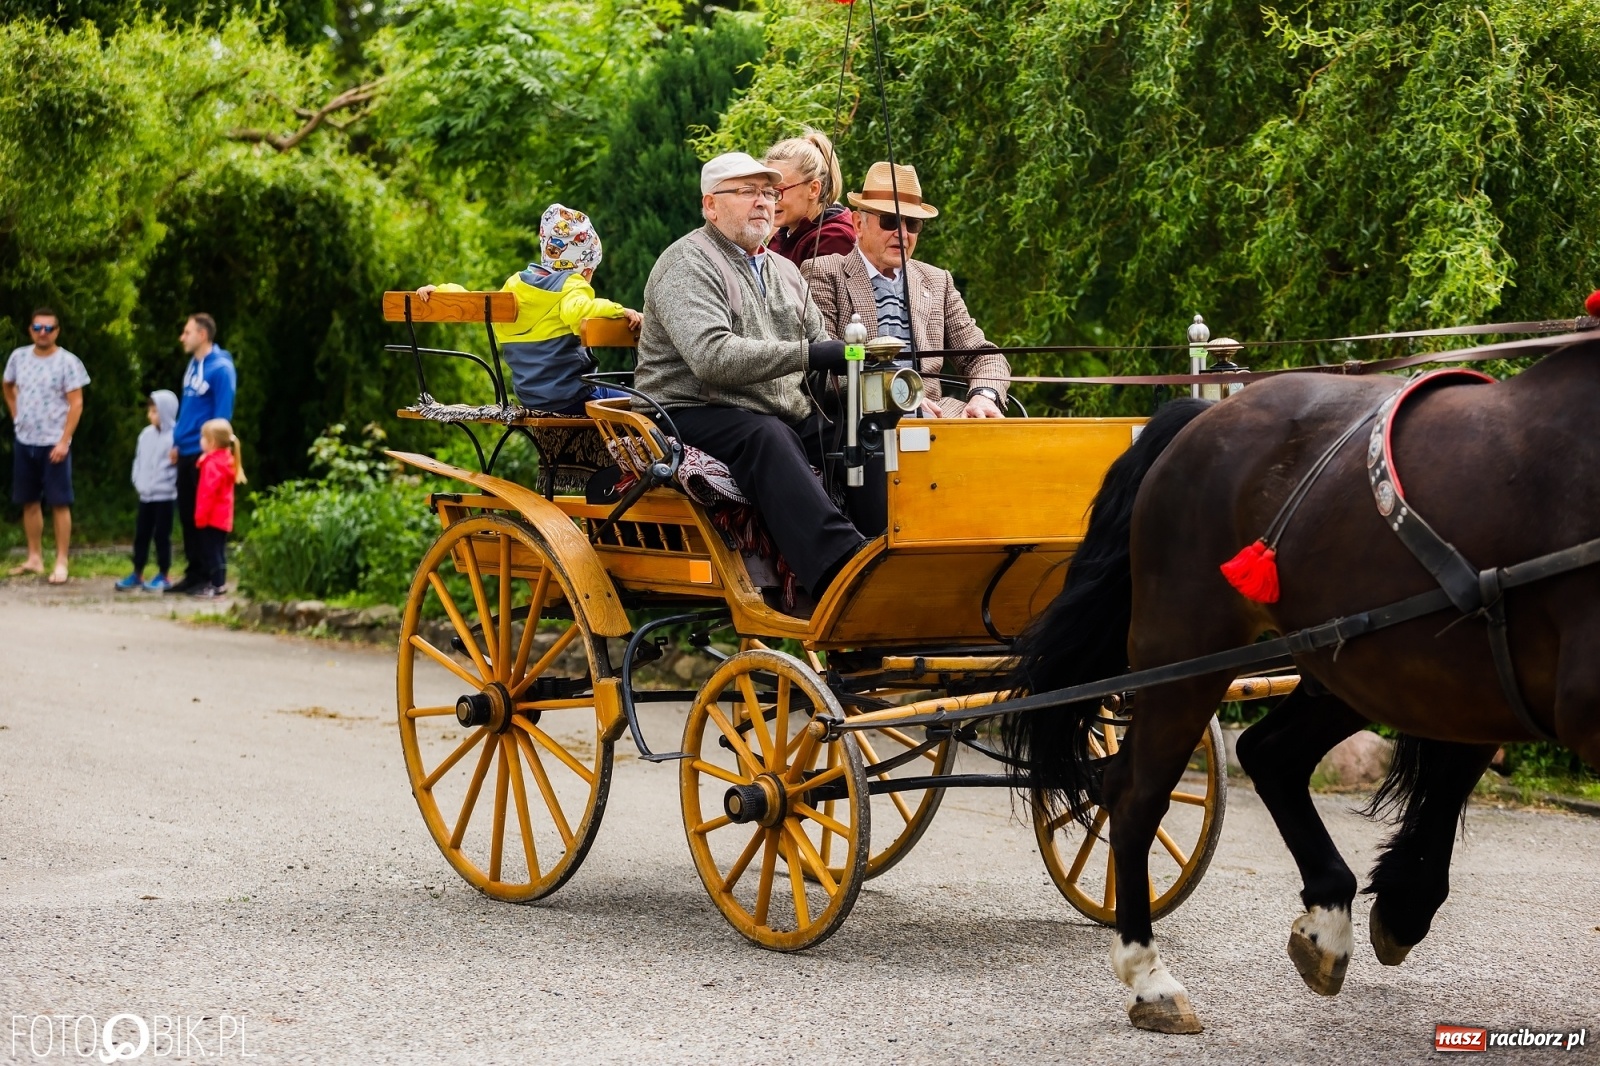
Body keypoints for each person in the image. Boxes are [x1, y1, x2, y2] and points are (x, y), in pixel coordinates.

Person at [633, 152, 862, 608]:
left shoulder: (785, 271)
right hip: (688, 409)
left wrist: (867, 380)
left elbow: (822, 349)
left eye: (769, 193)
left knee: (865, 428)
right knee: (766, 436)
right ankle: (842, 571)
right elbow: (712, 358)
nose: (763, 202)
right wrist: (811, 354)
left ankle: (891, 548)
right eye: (747, 192)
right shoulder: (687, 262)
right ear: (710, 205)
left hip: (771, 409)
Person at [803, 161, 1011, 418]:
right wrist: (898, 394)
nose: (902, 234)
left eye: (912, 224)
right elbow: (822, 371)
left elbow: (983, 355)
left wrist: (984, 396)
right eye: (890, 221)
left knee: (997, 430)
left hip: (934, 417)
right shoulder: (824, 272)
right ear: (858, 224)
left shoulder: (937, 281)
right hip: (861, 418)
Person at [418, 204, 643, 414]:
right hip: (572, 395)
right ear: (585, 269)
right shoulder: (572, 285)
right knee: (643, 406)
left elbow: (476, 302)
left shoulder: (517, 284)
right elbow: (579, 312)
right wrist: (619, 311)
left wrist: (440, 292)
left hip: (530, 398)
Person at [3, 308, 90, 584]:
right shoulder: (18, 357)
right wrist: (16, 415)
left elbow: (76, 403)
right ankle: (34, 557)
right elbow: (7, 385)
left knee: (59, 502)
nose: (43, 333)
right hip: (25, 440)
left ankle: (62, 560)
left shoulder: (68, 362)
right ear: (30, 330)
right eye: (38, 328)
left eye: (49, 328)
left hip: (54, 443)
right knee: (28, 501)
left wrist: (64, 441)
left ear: (57, 331)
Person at [167, 313, 236, 594]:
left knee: (206, 516)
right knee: (188, 514)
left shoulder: (221, 368)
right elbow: (188, 408)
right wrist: (177, 441)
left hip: (205, 453)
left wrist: (215, 453)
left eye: (187, 332)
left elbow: (222, 413)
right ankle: (194, 573)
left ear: (202, 334)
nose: (182, 337)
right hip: (185, 449)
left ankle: (211, 576)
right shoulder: (193, 365)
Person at [763, 129, 857, 267]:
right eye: (767, 191)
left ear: (813, 189)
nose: (770, 200)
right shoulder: (785, 234)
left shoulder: (833, 239)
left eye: (778, 191)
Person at [117, 390, 180, 592]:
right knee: (141, 534)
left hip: (165, 496)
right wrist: (138, 481)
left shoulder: (176, 436)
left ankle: (164, 573)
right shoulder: (145, 435)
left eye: (154, 411)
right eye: (150, 411)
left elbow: (178, 466)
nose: (150, 415)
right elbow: (138, 461)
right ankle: (137, 572)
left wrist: (170, 483)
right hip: (146, 495)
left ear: (166, 412)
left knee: (162, 535)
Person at [190, 418, 245, 599]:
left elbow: (207, 493)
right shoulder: (226, 461)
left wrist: (200, 516)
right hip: (222, 517)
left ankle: (216, 585)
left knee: (211, 552)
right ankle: (218, 583)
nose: (200, 441)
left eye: (203, 437)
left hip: (211, 517)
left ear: (212, 442)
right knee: (218, 552)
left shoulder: (212, 464)